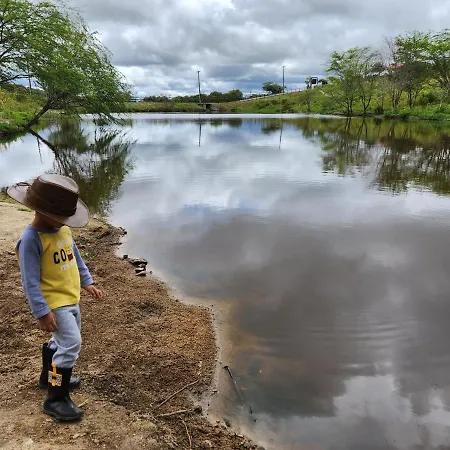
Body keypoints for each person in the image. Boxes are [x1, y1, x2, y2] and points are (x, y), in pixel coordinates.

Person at [7, 174, 103, 421]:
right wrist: (42, 312)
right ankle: (56, 398)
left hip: (70, 298)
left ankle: (48, 377)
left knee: (58, 343)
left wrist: (88, 282)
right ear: (43, 211)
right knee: (71, 343)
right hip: (54, 303)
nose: (65, 222)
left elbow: (76, 260)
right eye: (61, 217)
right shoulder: (31, 240)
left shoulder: (63, 231)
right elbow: (29, 281)